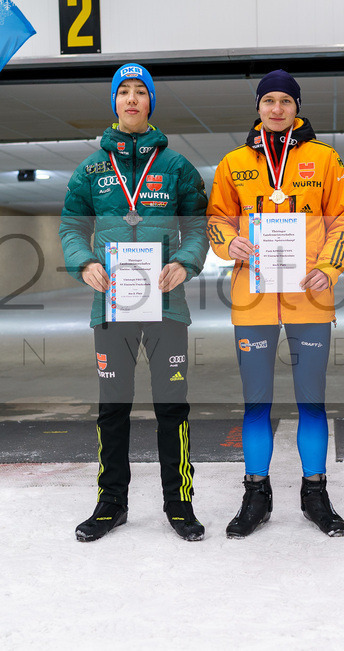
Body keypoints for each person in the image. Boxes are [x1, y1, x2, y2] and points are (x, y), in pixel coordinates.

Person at [59, 63, 209, 542]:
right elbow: (71, 226)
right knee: (112, 409)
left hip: (167, 304)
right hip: (112, 305)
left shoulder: (176, 166)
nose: (131, 99)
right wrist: (84, 262)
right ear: (114, 103)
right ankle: (111, 504)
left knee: (172, 408)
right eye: (122, 91)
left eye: (140, 92)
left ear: (150, 103)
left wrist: (185, 261)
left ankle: (179, 503)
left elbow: (199, 227)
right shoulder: (91, 169)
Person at [207, 69, 344, 538]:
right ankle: (257, 494)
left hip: (310, 296)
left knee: (312, 401)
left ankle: (315, 493)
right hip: (252, 299)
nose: (277, 108)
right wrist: (227, 242)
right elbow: (216, 219)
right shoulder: (233, 162)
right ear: (258, 106)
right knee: (256, 403)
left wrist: (330, 267)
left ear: (297, 107)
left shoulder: (324, 158)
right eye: (268, 100)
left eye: (285, 101)